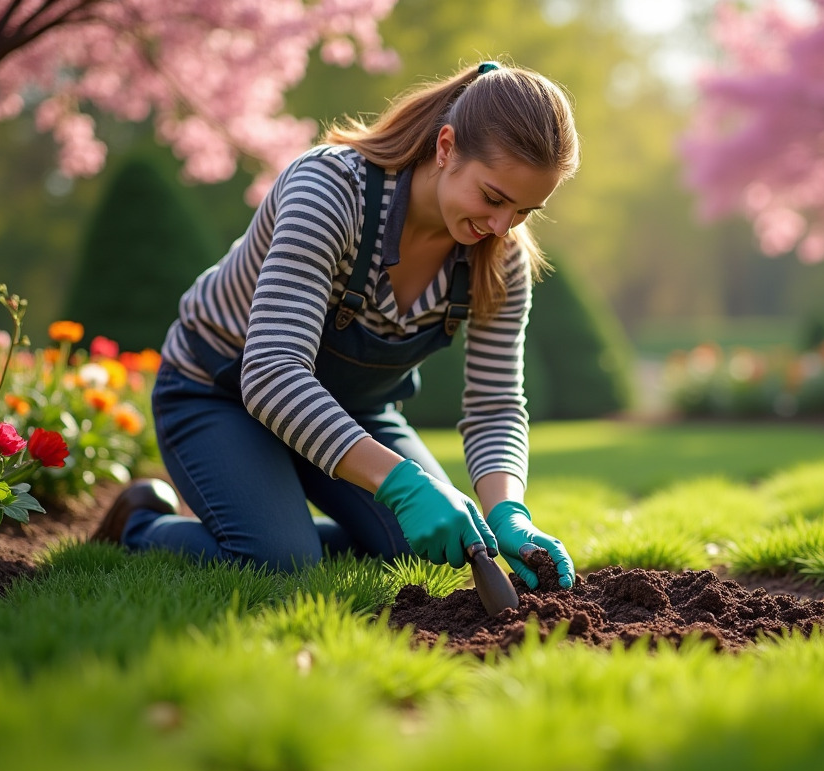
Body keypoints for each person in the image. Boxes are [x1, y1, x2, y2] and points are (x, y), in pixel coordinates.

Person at [90, 61, 578, 591]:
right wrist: (403, 485)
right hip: (219, 390)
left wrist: (510, 512)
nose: (501, 227)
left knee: (433, 549)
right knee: (281, 563)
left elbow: (495, 405)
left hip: (353, 409)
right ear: (445, 147)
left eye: (525, 210)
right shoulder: (330, 191)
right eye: (493, 197)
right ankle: (138, 525)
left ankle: (285, 528)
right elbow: (273, 374)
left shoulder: (500, 257)